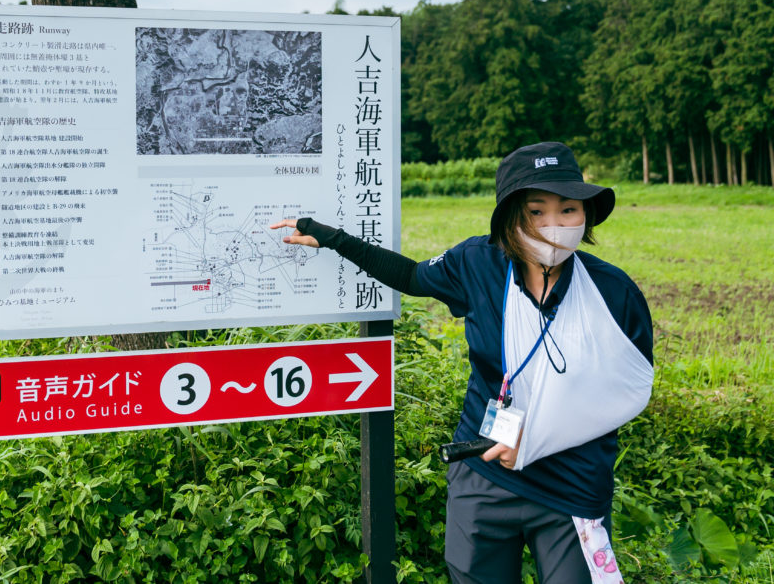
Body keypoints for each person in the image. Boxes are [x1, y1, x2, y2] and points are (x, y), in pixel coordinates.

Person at [271, 142, 653, 584]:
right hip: (484, 471)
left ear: (585, 215)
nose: (554, 225)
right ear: (511, 217)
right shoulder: (478, 264)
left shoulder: (613, 294)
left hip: (572, 484)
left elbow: (627, 391)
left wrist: (537, 438)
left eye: (568, 210)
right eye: (536, 211)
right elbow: (412, 276)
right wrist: (334, 239)